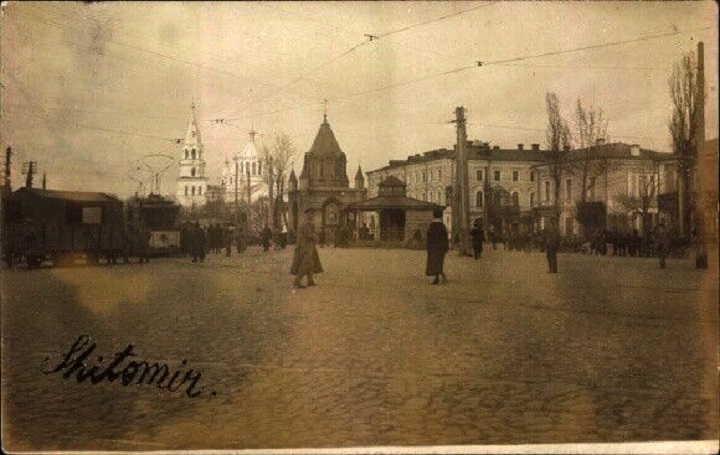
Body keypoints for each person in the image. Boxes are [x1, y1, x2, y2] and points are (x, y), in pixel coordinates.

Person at [291, 208, 323, 288]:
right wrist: (317, 237)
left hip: (309, 246)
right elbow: (309, 235)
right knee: (305, 264)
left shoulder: (309, 223)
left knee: (311, 264)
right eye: (310, 214)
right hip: (304, 247)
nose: (311, 215)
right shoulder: (305, 224)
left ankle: (310, 280)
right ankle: (297, 281)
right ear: (306, 215)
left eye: (312, 214)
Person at [426, 210, 449, 284]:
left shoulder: (431, 226)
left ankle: (435, 277)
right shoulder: (442, 227)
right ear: (441, 216)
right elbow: (445, 238)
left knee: (433, 262)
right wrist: (446, 247)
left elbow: (428, 238)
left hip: (432, 247)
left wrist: (428, 247)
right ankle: (439, 275)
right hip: (441, 247)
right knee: (439, 261)